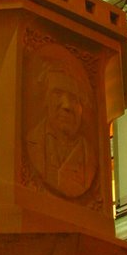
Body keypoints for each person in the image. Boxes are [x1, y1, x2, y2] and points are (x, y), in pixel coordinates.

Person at [25, 49, 97, 198]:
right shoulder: (31, 141)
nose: (66, 105)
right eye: (58, 93)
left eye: (73, 98)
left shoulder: (90, 158)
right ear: (45, 99)